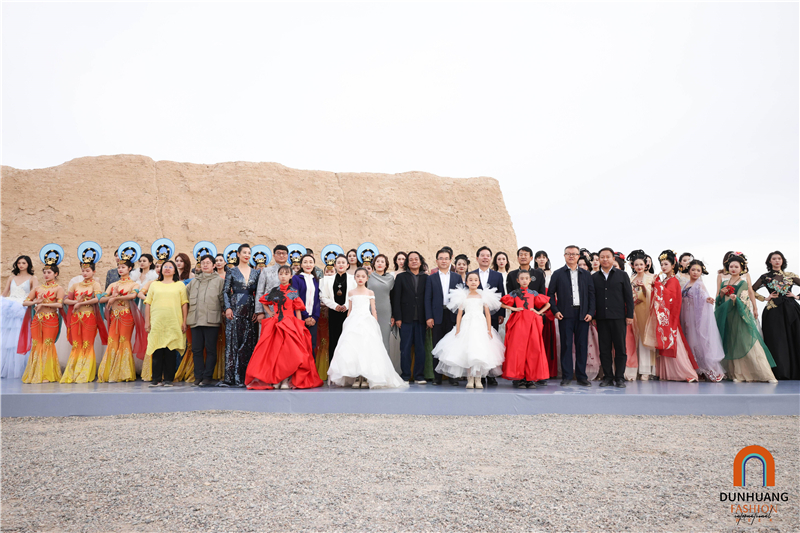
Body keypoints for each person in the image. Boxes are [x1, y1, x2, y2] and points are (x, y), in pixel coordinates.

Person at [328, 268, 408, 389]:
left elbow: (373, 310)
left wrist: (375, 323)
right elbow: (350, 310)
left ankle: (365, 377)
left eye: (363, 276)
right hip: (353, 322)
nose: (360, 278)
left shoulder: (370, 292)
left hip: (366, 321)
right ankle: (356, 376)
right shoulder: (351, 292)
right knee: (353, 348)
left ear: (367, 278)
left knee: (367, 348)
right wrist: (347, 323)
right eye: (358, 276)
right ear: (355, 278)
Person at [245, 266, 323, 390]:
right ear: (278, 275)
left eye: (286, 274)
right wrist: (270, 313)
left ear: (291, 276)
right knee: (275, 353)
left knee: (289, 353)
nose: (283, 276)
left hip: (290, 324)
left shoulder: (293, 292)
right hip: (275, 324)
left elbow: (298, 309)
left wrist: (299, 326)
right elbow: (263, 301)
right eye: (281, 274)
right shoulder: (274, 290)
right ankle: (276, 379)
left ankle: (286, 379)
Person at [432, 272, 505, 388]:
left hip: (480, 325)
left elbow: (487, 314)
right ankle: (470, 378)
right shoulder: (463, 296)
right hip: (467, 325)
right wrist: (458, 328)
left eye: (476, 280)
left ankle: (478, 378)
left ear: (479, 282)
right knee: (468, 351)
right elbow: (459, 314)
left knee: (479, 351)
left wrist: (489, 329)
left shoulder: (484, 295)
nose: (473, 282)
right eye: (470, 280)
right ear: (466, 282)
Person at [715, 253, 777, 383]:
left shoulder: (742, 282)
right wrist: (721, 294)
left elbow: (743, 299)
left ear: (741, 269)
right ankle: (737, 373)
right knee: (731, 342)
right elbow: (719, 301)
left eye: (736, 267)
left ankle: (765, 374)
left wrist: (735, 299)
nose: (733, 269)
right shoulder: (724, 282)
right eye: (731, 266)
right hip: (728, 315)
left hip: (739, 314)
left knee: (746, 341)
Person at [642, 250, 699, 382]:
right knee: (667, 342)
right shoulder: (666, 280)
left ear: (673, 265)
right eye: (661, 264)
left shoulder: (673, 280)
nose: (663, 267)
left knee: (674, 343)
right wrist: (657, 284)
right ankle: (669, 373)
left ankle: (686, 372)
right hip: (666, 318)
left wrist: (657, 285)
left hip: (670, 318)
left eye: (666, 264)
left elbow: (670, 297)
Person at [549, 245, 596, 387]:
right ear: (564, 256)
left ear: (578, 256)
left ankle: (582, 376)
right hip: (564, 315)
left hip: (583, 315)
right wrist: (555, 310)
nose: (571, 256)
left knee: (582, 346)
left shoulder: (586, 274)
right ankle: (567, 376)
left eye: (574, 254)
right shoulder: (558, 274)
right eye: (568, 254)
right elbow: (550, 294)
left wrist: (590, 312)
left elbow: (592, 295)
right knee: (566, 345)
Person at [752, 251, 800, 380]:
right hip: (773, 310)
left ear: (782, 261)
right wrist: (765, 298)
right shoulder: (765, 277)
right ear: (770, 261)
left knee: (795, 336)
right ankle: (779, 372)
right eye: (774, 258)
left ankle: (796, 371)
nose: (777, 260)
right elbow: (751, 290)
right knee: (776, 340)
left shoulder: (790, 275)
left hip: (791, 309)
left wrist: (796, 296)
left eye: (779, 258)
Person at [501, 269, 551, 388]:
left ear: (530, 280)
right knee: (518, 349)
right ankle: (519, 378)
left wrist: (538, 312)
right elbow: (502, 303)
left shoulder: (534, 293)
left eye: (526, 278)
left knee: (532, 349)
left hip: (532, 322)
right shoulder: (514, 293)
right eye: (522, 278)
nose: (524, 280)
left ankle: (530, 378)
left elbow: (548, 304)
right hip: (519, 322)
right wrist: (514, 309)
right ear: (518, 280)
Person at [592, 247, 634, 387]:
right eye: (602, 257)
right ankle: (608, 377)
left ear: (613, 259)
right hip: (601, 318)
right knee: (604, 349)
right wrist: (593, 316)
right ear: (599, 259)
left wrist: (629, 315)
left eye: (607, 257)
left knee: (620, 348)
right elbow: (592, 298)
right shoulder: (594, 277)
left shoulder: (622, 275)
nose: (605, 259)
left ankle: (620, 377)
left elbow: (629, 297)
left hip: (619, 317)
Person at [60, 255, 106, 384]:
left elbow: (97, 299)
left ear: (93, 271)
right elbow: (66, 300)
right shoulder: (75, 285)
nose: (85, 273)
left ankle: (85, 373)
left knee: (87, 344)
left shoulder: (95, 284)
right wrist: (76, 302)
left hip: (89, 316)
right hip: (75, 317)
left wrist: (81, 303)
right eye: (83, 270)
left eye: (87, 270)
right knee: (76, 344)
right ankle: (73, 373)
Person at [98, 258, 145, 383]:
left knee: (124, 341)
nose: (120, 269)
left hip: (127, 316)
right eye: (119, 267)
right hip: (114, 316)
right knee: (112, 341)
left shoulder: (134, 284)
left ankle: (123, 373)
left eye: (123, 267)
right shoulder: (112, 285)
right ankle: (110, 372)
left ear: (130, 268)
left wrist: (115, 298)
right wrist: (111, 297)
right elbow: (101, 298)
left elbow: (133, 296)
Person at [219, 244, 259, 387]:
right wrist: (228, 308)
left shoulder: (256, 273)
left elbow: (258, 293)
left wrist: (257, 311)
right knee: (233, 342)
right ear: (238, 254)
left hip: (250, 310)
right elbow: (225, 291)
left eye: (249, 253)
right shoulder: (231, 271)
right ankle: (231, 377)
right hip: (234, 310)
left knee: (248, 343)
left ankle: (245, 377)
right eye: (244, 252)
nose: (247, 255)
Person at [20, 258, 65, 384]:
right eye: (44, 272)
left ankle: (47, 374)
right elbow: (25, 302)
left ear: (56, 274)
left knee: (47, 344)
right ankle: (35, 373)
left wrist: (44, 304)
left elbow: (60, 305)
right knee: (36, 344)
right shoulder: (37, 288)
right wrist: (36, 301)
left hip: (51, 319)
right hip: (37, 320)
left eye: (49, 272)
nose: (46, 275)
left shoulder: (59, 288)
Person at [145, 260, 189, 387]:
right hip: (157, 322)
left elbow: (184, 304)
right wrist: (147, 321)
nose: (167, 269)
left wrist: (184, 321)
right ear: (161, 270)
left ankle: (169, 379)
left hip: (173, 322)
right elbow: (148, 303)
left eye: (170, 267)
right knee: (157, 350)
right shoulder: (154, 285)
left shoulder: (180, 285)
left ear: (175, 270)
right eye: (165, 267)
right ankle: (156, 379)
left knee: (170, 351)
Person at [680, 260, 726, 382]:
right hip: (686, 317)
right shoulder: (686, 284)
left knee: (698, 343)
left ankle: (713, 370)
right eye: (693, 270)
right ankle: (697, 370)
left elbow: (704, 297)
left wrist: (708, 300)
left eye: (698, 270)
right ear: (689, 270)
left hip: (695, 317)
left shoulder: (699, 285)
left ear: (701, 272)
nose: (695, 272)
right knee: (690, 343)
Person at [187, 254, 224, 386]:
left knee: (210, 349)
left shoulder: (219, 281)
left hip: (211, 320)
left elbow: (223, 300)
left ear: (214, 266)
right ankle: (198, 376)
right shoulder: (194, 282)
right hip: (195, 319)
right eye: (203, 263)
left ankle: (207, 377)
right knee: (196, 349)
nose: (205, 265)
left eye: (208, 263)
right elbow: (186, 298)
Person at [425, 248, 461, 385]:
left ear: (450, 260)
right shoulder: (431, 278)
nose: (444, 261)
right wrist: (429, 317)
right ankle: (437, 377)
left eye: (446, 258)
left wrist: (460, 318)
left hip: (452, 315)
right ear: (437, 261)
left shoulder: (457, 277)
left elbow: (460, 298)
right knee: (437, 346)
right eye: (441, 258)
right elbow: (427, 299)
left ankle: (452, 377)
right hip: (437, 316)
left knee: (452, 346)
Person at [393, 251, 429, 383]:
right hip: (405, 319)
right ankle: (406, 375)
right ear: (407, 263)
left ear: (420, 262)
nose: (414, 261)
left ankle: (419, 376)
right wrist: (398, 317)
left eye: (416, 259)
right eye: (411, 259)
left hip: (421, 319)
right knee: (405, 348)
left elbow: (428, 299)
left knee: (420, 348)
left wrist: (428, 318)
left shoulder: (426, 278)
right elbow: (396, 298)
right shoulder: (401, 277)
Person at [1, 255, 38, 379]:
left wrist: (34, 304)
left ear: (28, 264)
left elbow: (34, 294)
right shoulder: (11, 278)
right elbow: (5, 292)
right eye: (19, 263)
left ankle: (23, 367)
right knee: (7, 338)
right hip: (9, 307)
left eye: (23, 263)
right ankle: (6, 366)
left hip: (23, 307)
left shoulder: (33, 278)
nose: (21, 265)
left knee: (20, 335)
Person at [627, 251, 657, 380]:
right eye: (636, 265)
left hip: (646, 310)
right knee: (635, 339)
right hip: (634, 310)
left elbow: (654, 294)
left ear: (646, 265)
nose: (639, 267)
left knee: (645, 338)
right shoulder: (631, 278)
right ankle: (636, 368)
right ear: (633, 266)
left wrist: (644, 288)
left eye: (641, 264)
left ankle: (646, 370)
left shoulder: (652, 277)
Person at [320, 255, 355, 364]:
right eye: (338, 262)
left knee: (347, 340)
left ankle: (347, 366)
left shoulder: (353, 279)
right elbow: (324, 296)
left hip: (348, 313)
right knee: (334, 339)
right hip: (333, 312)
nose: (341, 265)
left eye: (343, 262)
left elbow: (355, 295)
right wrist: (335, 306)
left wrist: (346, 305)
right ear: (334, 265)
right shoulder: (327, 280)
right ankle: (333, 368)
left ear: (347, 265)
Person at [291, 254, 321, 360]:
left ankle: (311, 369)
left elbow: (317, 300)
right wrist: (305, 316)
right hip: (300, 317)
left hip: (313, 319)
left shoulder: (316, 280)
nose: (308, 265)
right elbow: (295, 298)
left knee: (312, 345)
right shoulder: (296, 278)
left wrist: (315, 317)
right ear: (301, 265)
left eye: (310, 262)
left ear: (314, 265)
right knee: (299, 344)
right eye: (305, 262)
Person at [576, 257, 601, 380]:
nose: (582, 266)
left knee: (595, 345)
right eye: (579, 264)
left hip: (591, 317)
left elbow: (594, 296)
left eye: (584, 264)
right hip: (577, 317)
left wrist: (592, 313)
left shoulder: (591, 277)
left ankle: (596, 371)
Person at [369, 254, 395, 353]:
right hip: (370, 311)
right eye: (377, 261)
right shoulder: (368, 277)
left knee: (384, 340)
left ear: (386, 265)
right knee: (371, 339)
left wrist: (393, 315)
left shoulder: (390, 278)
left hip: (385, 312)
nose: (380, 263)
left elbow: (393, 297)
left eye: (382, 262)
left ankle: (385, 362)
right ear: (374, 264)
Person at [255, 244, 290, 318]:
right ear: (274, 256)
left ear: (287, 255)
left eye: (283, 253)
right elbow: (260, 292)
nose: (281, 255)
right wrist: (259, 312)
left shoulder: (293, 272)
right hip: (269, 311)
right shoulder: (266, 271)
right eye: (278, 253)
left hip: (288, 311)